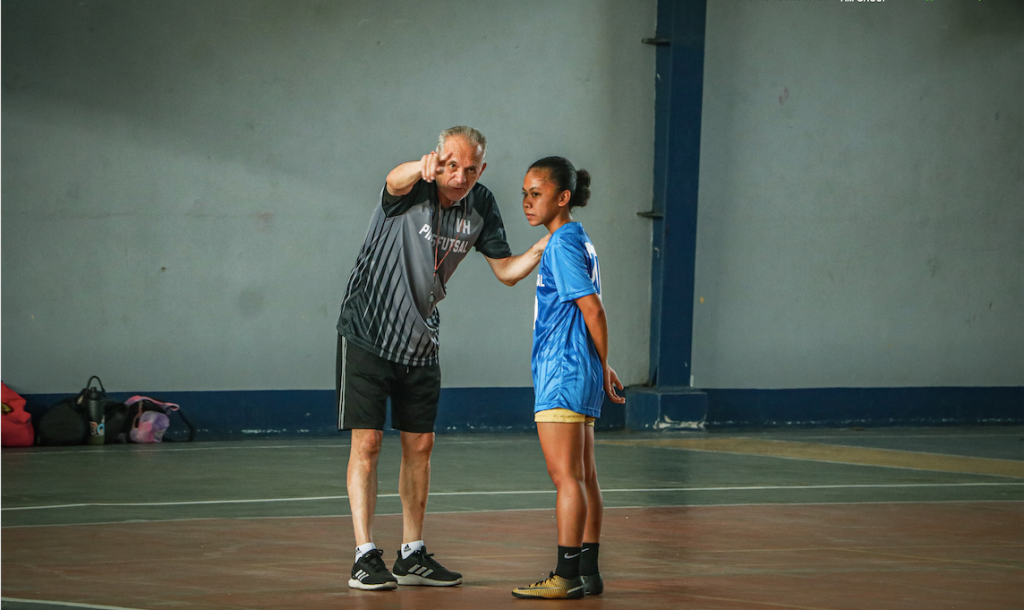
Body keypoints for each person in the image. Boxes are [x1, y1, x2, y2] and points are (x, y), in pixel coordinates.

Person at [336, 126, 550, 591]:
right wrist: (421, 166)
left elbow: (506, 273)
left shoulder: (482, 205)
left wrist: (540, 249)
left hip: (421, 340)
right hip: (368, 332)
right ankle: (363, 554)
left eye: (470, 168)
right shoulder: (414, 185)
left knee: (420, 447)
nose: (460, 176)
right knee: (367, 443)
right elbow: (393, 180)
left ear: (482, 169)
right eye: (452, 165)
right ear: (438, 159)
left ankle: (411, 554)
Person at [512, 157, 625, 600]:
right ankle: (589, 571)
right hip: (581, 370)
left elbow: (593, 309)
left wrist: (603, 360)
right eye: (524, 192)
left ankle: (565, 575)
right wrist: (602, 364)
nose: (526, 201)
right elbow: (587, 314)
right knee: (585, 477)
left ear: (562, 198)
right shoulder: (580, 240)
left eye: (535, 193)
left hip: (561, 371)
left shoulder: (560, 243)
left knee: (566, 479)